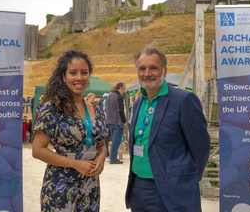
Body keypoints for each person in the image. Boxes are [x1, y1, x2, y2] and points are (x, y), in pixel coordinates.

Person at [125, 47, 211, 211]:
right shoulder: (137, 104)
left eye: (153, 68)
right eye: (142, 68)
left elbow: (201, 147)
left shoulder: (183, 100)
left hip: (170, 189)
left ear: (164, 72)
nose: (147, 73)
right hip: (138, 188)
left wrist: (186, 179)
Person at [32, 50, 108, 211]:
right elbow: (37, 150)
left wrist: (102, 157)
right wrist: (75, 163)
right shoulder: (52, 108)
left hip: (90, 187)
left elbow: (101, 144)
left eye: (84, 72)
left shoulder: (97, 109)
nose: (79, 78)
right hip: (60, 188)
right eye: (73, 73)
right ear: (64, 77)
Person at [105, 82, 126, 164]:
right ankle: (113, 158)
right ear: (120, 88)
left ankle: (111, 156)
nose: (124, 91)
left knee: (114, 140)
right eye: (124, 88)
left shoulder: (108, 96)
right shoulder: (119, 97)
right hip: (117, 121)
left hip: (109, 120)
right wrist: (124, 120)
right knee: (116, 141)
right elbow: (121, 110)